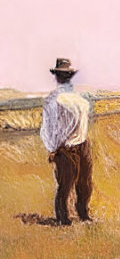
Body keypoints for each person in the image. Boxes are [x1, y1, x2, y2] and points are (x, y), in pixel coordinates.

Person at [40, 58, 93, 225]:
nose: (64, 77)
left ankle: (73, 217)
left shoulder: (56, 100)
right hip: (73, 146)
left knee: (75, 184)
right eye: (65, 75)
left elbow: (48, 129)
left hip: (72, 146)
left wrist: (53, 149)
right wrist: (55, 149)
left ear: (58, 77)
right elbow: (49, 129)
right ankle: (72, 217)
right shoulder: (75, 101)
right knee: (74, 185)